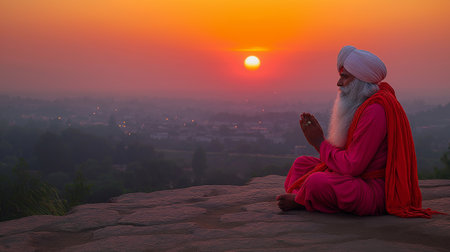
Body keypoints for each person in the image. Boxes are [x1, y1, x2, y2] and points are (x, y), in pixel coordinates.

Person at [276, 46, 443, 218]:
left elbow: (353, 166)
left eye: (344, 77)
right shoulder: (361, 104)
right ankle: (308, 197)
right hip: (355, 178)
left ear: (360, 82)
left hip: (374, 190)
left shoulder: (374, 111)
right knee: (301, 164)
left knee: (316, 182)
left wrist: (319, 142)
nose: (338, 83)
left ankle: (302, 200)